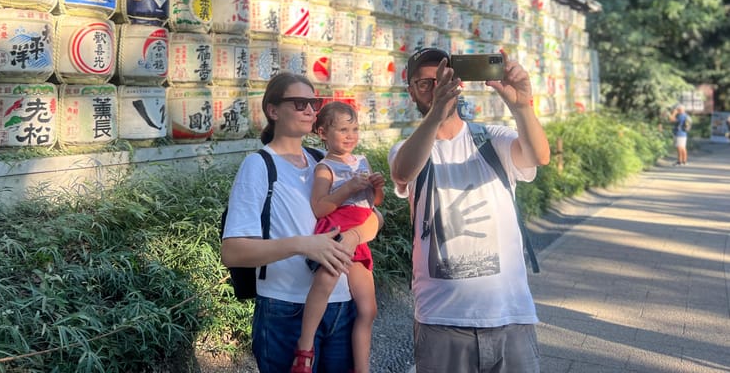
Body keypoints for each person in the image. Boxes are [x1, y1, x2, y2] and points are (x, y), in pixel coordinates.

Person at [389, 48, 551, 373]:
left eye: (442, 80)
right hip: (440, 320)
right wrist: (435, 114)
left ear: (457, 81)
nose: (435, 89)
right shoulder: (407, 149)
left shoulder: (492, 138)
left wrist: (521, 107)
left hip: (510, 315)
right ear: (411, 92)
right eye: (425, 84)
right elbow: (404, 171)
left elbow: (537, 156)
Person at [221, 72, 381, 373]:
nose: (310, 110)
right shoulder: (259, 165)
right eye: (299, 103)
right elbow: (232, 251)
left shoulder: (326, 159)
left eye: (313, 102)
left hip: (341, 305)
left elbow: (375, 218)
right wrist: (303, 245)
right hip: (285, 309)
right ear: (273, 110)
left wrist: (353, 237)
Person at [296, 101, 386, 373]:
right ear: (323, 133)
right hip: (336, 231)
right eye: (343, 129)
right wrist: (347, 188)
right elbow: (319, 207)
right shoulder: (325, 167)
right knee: (323, 285)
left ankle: (362, 367)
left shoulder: (361, 161)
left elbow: (373, 204)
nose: (351, 135)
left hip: (359, 236)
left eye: (355, 128)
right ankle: (305, 346)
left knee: (368, 309)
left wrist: (377, 188)